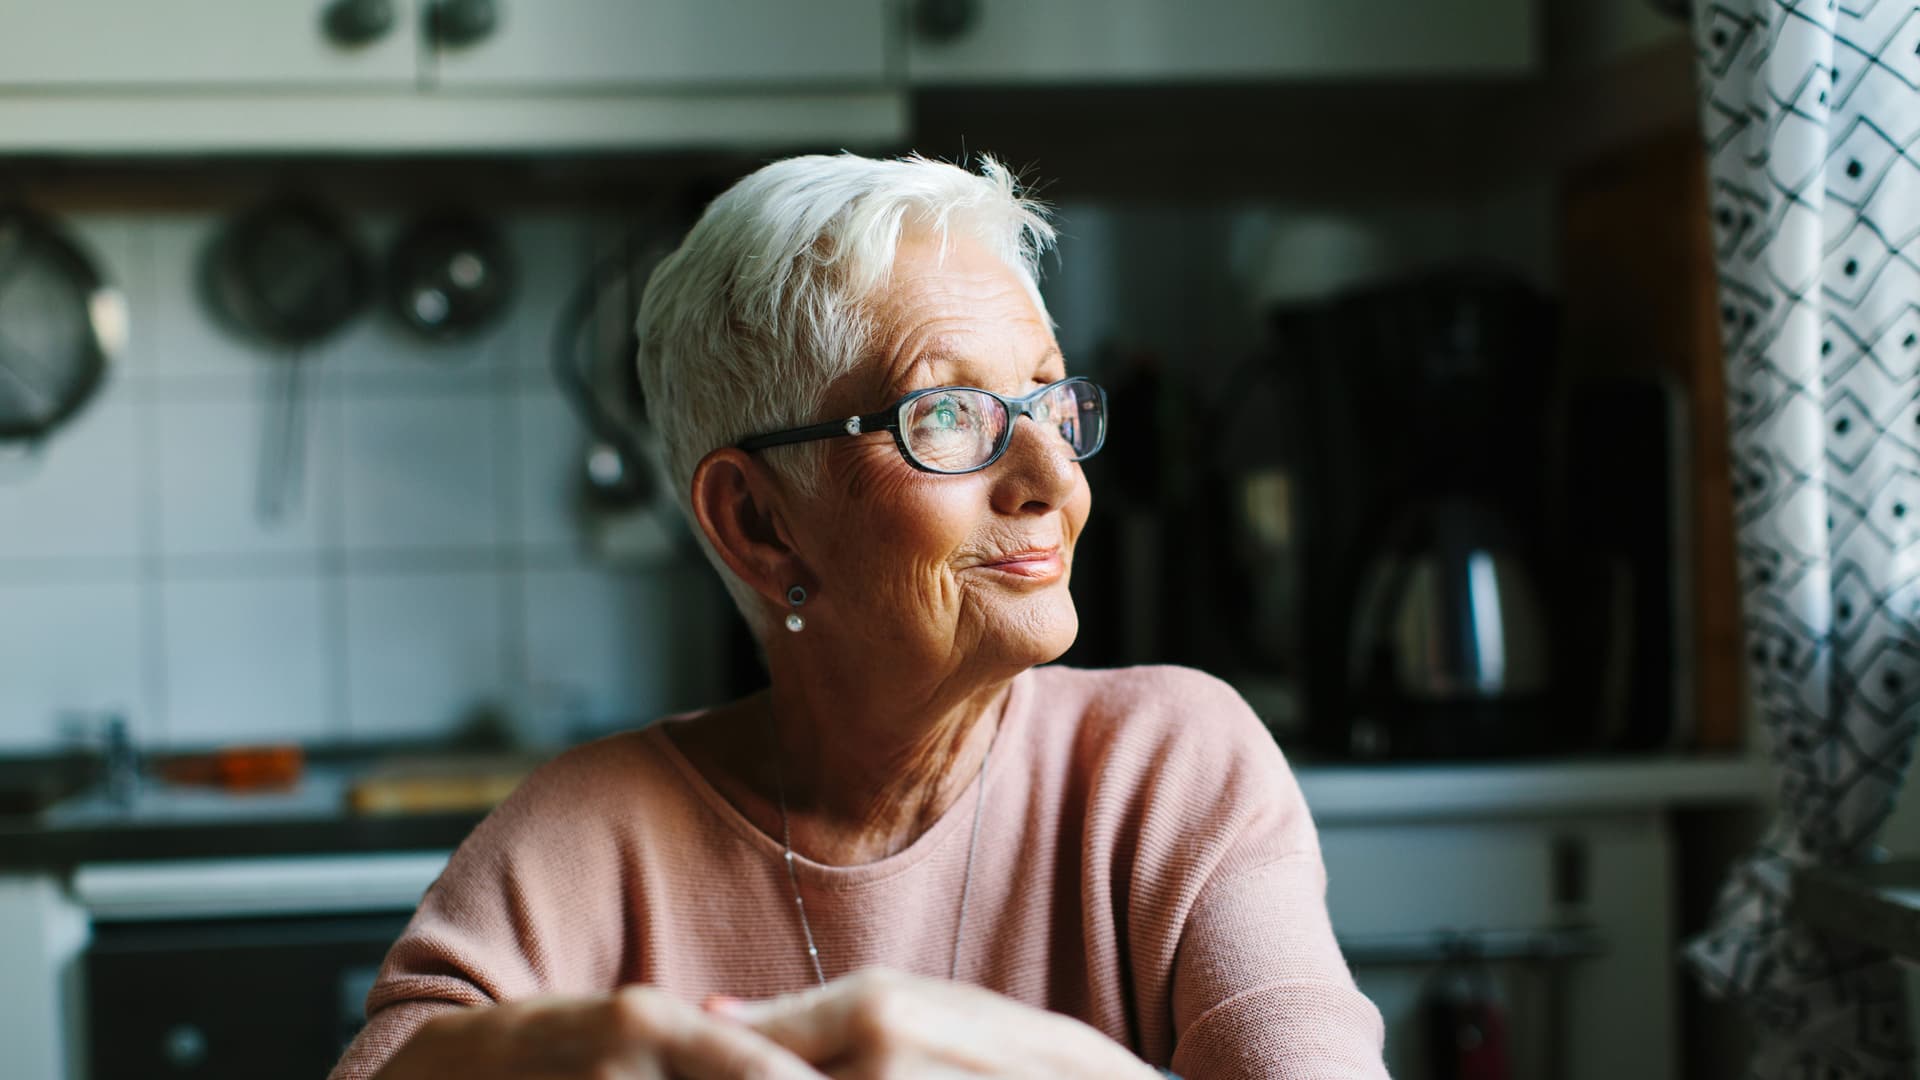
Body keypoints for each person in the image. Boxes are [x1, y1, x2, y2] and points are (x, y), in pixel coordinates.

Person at [331, 152, 1387, 1080]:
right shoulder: (582, 840)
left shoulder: (1168, 768)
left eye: (1049, 401)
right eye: (947, 415)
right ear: (759, 523)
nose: (1053, 479)